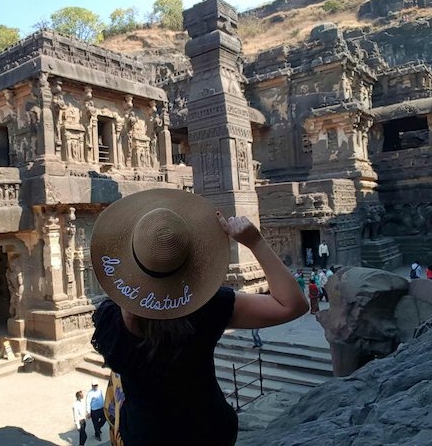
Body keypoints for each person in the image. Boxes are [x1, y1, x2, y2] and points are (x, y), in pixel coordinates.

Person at [90, 188, 308, 446]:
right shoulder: (207, 308)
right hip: (207, 431)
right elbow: (292, 305)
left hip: (144, 435)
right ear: (193, 257)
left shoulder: (109, 318)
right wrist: (255, 242)